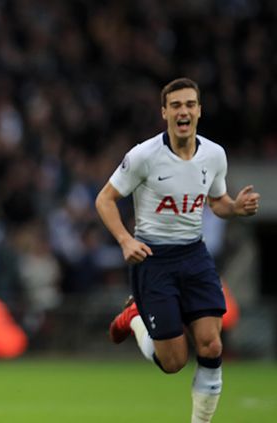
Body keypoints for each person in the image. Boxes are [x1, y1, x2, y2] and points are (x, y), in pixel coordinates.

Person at [95, 77, 260, 423]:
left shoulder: (214, 155)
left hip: (194, 255)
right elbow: (105, 199)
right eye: (176, 105)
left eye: (189, 104)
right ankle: (136, 318)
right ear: (165, 113)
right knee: (173, 362)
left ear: (199, 111)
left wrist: (236, 208)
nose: (183, 111)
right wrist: (126, 240)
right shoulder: (143, 156)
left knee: (212, 346)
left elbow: (217, 202)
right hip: (153, 259)